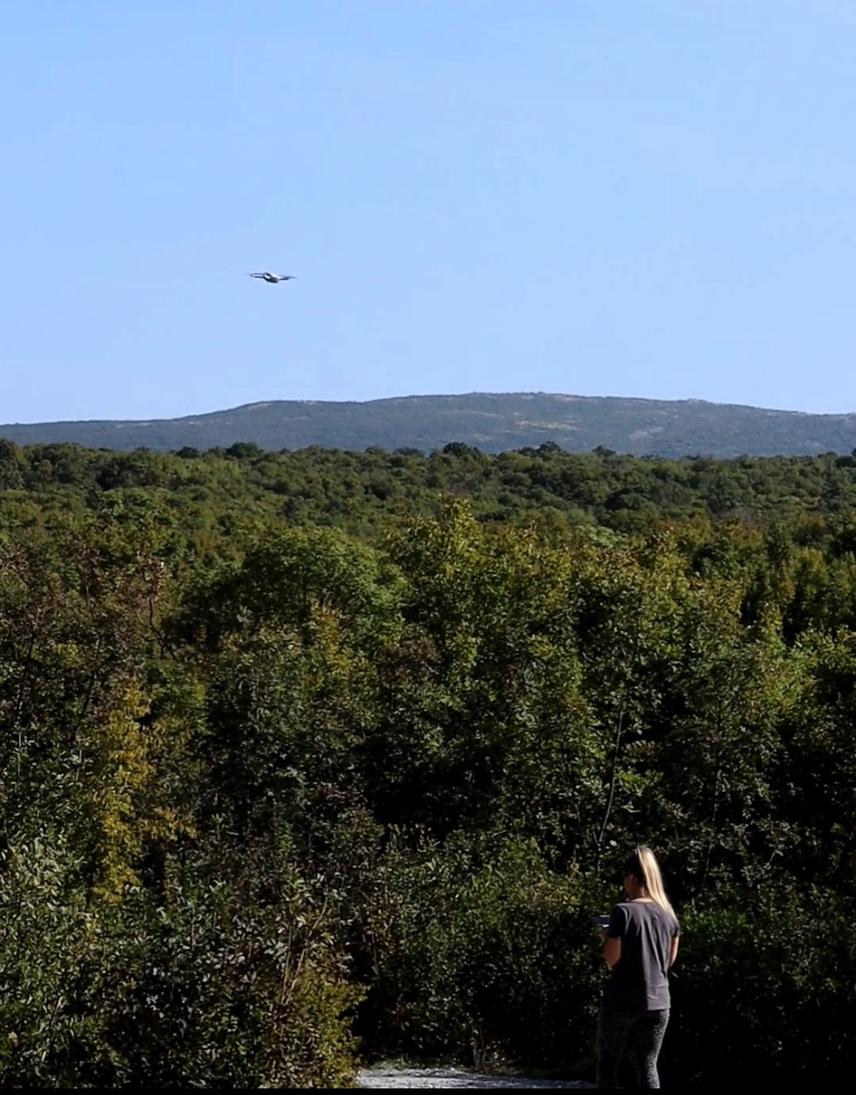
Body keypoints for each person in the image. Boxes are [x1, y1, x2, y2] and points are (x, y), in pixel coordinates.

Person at [596, 846, 680, 1089]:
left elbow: (612, 960)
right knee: (647, 1064)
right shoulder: (669, 914)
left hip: (623, 1000)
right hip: (660, 1002)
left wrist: (606, 936)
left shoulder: (623, 912)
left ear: (632, 878)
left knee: (608, 1063)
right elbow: (668, 960)